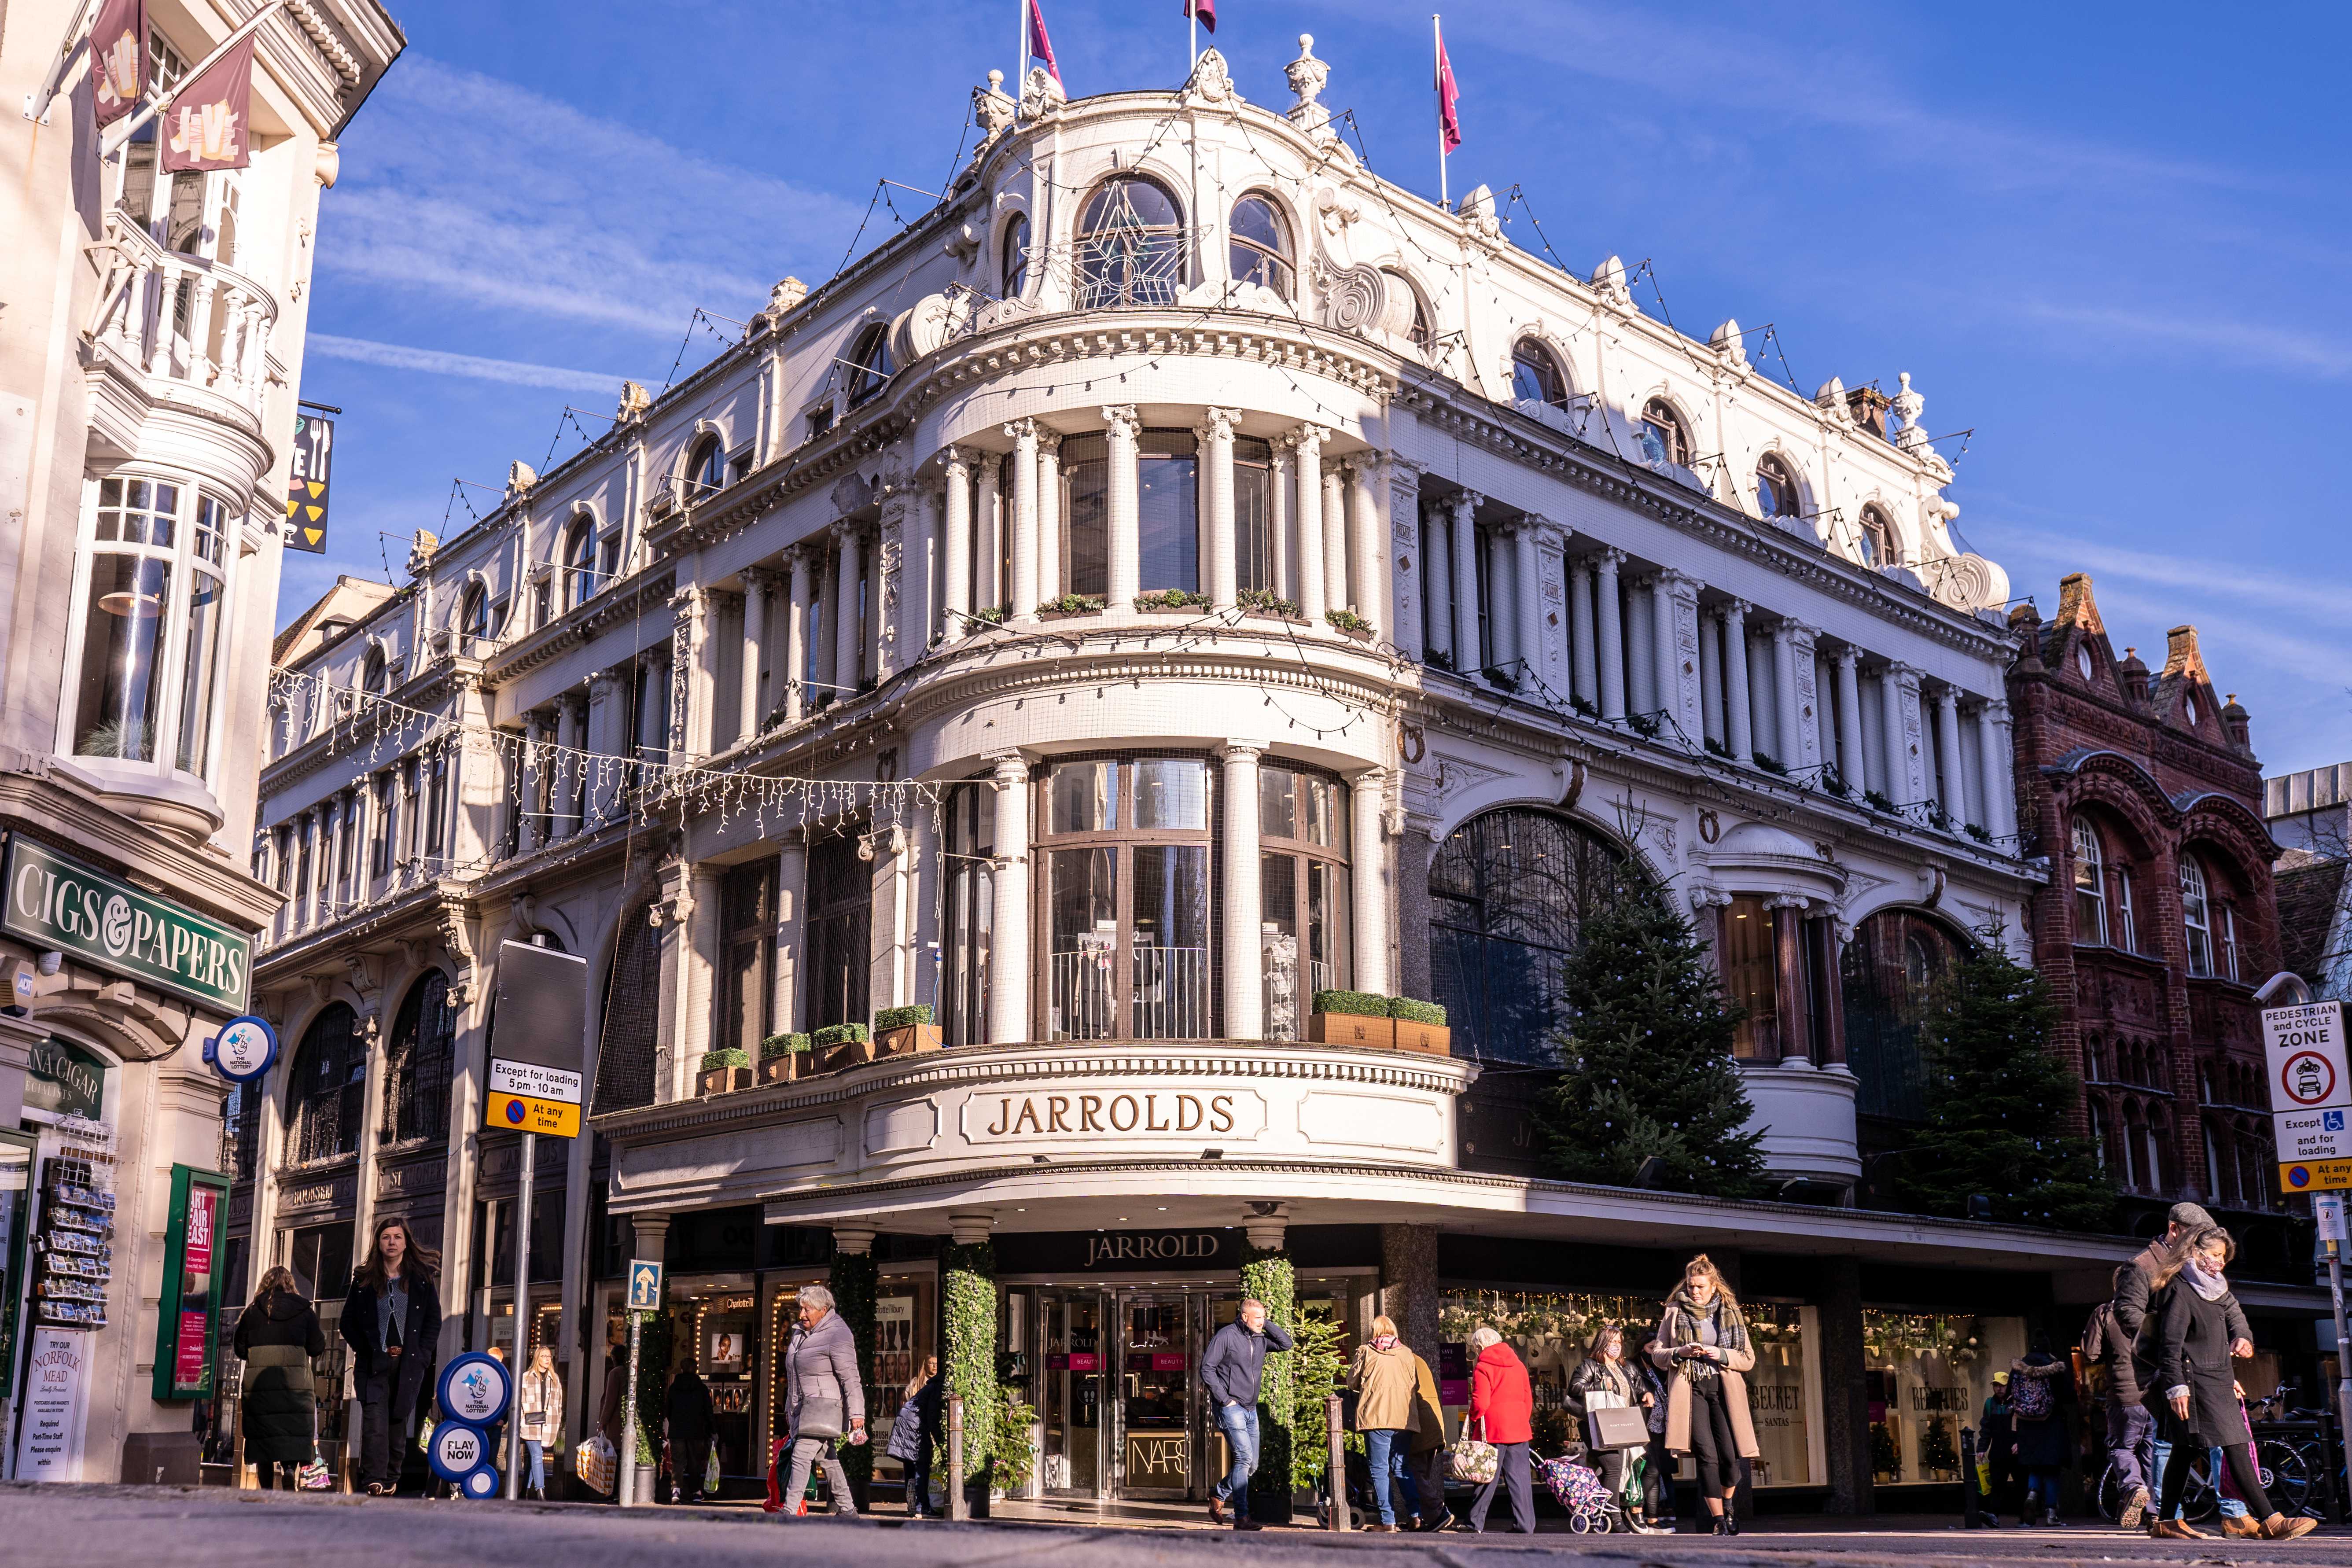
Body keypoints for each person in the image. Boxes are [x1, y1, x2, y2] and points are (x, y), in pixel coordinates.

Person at [2140, 1225, 2316, 1541]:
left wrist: (2244, 1338)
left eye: (2224, 1256)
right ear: (2195, 1252)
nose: (2220, 1262)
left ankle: (2165, 1522)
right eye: (2215, 1255)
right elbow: (2169, 1345)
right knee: (2235, 1442)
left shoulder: (2217, 1288)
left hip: (2217, 1379)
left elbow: (2236, 1318)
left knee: (2183, 1451)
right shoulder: (2179, 1289)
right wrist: (2176, 1387)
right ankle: (2271, 1519)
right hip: (2193, 1382)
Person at [2117, 1199, 2215, 1516]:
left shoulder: (2195, 1265)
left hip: (2201, 1364)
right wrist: (2167, 1343)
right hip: (2163, 1365)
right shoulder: (2141, 1266)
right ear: (2174, 1230)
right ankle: (2163, 1514)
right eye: (2195, 1235)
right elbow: (2127, 1313)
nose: (2201, 1244)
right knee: (2167, 1441)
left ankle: (2232, 1513)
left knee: (2218, 1436)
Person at [1650, 1253, 1758, 1536]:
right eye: (1690, 1286)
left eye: (1700, 1287)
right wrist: (1681, 1352)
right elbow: (1659, 1356)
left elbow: (1748, 1359)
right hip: (1691, 1390)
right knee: (1707, 1457)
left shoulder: (1731, 1311)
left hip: (1724, 1391)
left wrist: (1721, 1354)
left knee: (1730, 1459)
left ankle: (1729, 1504)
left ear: (1713, 1286)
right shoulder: (1674, 1312)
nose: (1694, 1292)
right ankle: (1720, 1520)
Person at [339, 1216, 441, 1497]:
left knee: (397, 1424)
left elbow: (434, 1321)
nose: (392, 1242)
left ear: (406, 1242)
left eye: (397, 1237)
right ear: (379, 1243)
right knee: (374, 1423)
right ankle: (374, 1478)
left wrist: (422, 1355)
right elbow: (347, 1322)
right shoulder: (363, 1280)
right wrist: (365, 1348)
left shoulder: (422, 1279)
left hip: (408, 1364)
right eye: (386, 1237)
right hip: (374, 1364)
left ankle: (392, 1476)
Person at [1199, 1296, 1295, 1531]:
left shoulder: (1260, 1338)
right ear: (1244, 1317)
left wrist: (1266, 1323)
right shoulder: (1227, 1336)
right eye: (1258, 1318)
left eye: (1263, 1318)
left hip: (1251, 1409)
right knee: (1243, 1458)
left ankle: (1218, 1493)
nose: (1262, 1322)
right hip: (1231, 1408)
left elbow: (1286, 1344)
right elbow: (1207, 1369)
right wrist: (1225, 1400)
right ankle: (1242, 1516)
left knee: (1252, 1465)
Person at [233, 1266, 325, 1491]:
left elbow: (240, 1349)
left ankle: (266, 1489)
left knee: (265, 1436)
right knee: (291, 1431)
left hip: (260, 1387)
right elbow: (317, 1348)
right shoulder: (305, 1313)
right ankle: (290, 1470)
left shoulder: (252, 1313)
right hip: (295, 1386)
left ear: (264, 1285)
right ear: (291, 1285)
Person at [779, 1283, 866, 1517]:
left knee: (801, 1456)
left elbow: (851, 1376)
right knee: (827, 1459)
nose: (802, 1314)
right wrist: (791, 1410)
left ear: (824, 1309)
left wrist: (858, 1413)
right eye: (801, 1309)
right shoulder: (800, 1333)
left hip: (823, 1407)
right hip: (803, 1409)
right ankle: (848, 1510)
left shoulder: (838, 1333)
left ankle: (788, 1512)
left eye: (807, 1309)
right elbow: (794, 1375)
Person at [1569, 1321, 1664, 1534]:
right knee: (1613, 1467)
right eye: (1612, 1342)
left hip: (1624, 1423)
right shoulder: (1590, 1365)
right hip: (1599, 1424)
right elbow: (1575, 1388)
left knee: (1642, 1468)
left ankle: (1614, 1510)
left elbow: (1638, 1387)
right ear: (1602, 1344)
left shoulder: (1626, 1367)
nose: (1617, 1346)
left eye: (1619, 1342)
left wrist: (1645, 1393)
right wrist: (1600, 1385)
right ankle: (1615, 1519)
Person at [2081, 1263, 2152, 1528]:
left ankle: (2133, 1488)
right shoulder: (2151, 1310)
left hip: (2124, 1394)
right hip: (2156, 1393)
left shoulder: (2105, 1312)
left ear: (2116, 1286)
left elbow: (2090, 1352)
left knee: (2121, 1447)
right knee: (2151, 1456)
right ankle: (2155, 1513)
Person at [1348, 1314, 1423, 1531]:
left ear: (1374, 1331)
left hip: (1377, 1417)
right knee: (1401, 1467)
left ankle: (1388, 1521)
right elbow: (1415, 1386)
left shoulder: (1366, 1351)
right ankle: (1416, 1516)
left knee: (1379, 1469)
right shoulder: (1407, 1353)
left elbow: (1352, 1381)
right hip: (1403, 1418)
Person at [1463, 1326, 1535, 1534]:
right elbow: (1527, 1398)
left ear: (1479, 1346)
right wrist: (1522, 1419)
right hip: (1518, 1428)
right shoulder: (1519, 1365)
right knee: (1521, 1480)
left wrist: (1474, 1419)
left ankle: (1474, 1524)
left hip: (1493, 1430)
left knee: (1485, 1477)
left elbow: (1481, 1401)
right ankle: (1526, 1525)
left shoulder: (1483, 1366)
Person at [2008, 1330, 2075, 1527]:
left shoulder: (2018, 1369)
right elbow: (2071, 1397)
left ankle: (2031, 1495)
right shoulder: (2054, 1369)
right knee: (2053, 1468)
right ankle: (2051, 1514)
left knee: (2035, 1467)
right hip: (2051, 1424)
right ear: (2048, 1349)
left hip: (2026, 1425)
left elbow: (2010, 1394)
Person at [886, 1355, 944, 1518]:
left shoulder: (932, 1385)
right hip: (913, 1423)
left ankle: (913, 1506)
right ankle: (921, 1508)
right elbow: (932, 1418)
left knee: (911, 1463)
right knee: (921, 1461)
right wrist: (942, 1443)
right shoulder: (939, 1386)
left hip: (907, 1419)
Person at [1633, 1333, 1676, 1530]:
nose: (1654, 1353)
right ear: (1642, 1348)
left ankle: (1653, 1519)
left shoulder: (1658, 1370)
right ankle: (1635, 1510)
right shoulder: (1633, 1367)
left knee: (1656, 1472)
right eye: (1651, 1349)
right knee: (1651, 1471)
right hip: (1643, 1427)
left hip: (1659, 1428)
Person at [1407, 1347, 1451, 1532]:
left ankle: (1437, 1512)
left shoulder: (1405, 1361)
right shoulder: (1420, 1360)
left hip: (1421, 1425)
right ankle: (1424, 1519)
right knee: (1421, 1474)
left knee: (1412, 1472)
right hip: (1434, 1424)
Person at [666, 1355, 717, 1504]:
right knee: (695, 1462)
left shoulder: (674, 1388)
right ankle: (696, 1493)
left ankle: (676, 1491)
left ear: (681, 1370)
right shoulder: (702, 1389)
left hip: (677, 1431)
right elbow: (709, 1411)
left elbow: (668, 1410)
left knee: (678, 1462)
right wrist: (713, 1431)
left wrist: (675, 1423)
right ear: (696, 1370)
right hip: (695, 1431)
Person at [517, 1344, 563, 1501]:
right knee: (537, 1455)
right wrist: (521, 1420)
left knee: (534, 1458)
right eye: (544, 1356)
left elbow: (559, 1403)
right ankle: (541, 1493)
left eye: (549, 1356)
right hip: (530, 1423)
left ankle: (524, 1492)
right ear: (537, 1358)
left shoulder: (555, 1378)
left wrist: (558, 1420)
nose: (547, 1359)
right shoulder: (525, 1377)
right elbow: (518, 1402)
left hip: (547, 1423)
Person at [595, 1321, 630, 1502]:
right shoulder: (631, 1372)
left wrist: (602, 1422)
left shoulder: (615, 1373)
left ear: (615, 1358)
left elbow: (610, 1401)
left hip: (616, 1424)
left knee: (614, 1459)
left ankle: (614, 1491)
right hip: (627, 1424)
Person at [1978, 1371, 2016, 1524]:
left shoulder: (2017, 1402)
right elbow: (1986, 1428)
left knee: (2022, 1486)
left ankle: (2026, 1517)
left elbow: (2023, 1425)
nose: (1999, 1389)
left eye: (2002, 1385)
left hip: (2016, 1452)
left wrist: (2020, 1442)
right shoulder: (1989, 1404)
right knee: (1997, 1487)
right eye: (1996, 1385)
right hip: (1998, 1452)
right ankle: (1993, 1515)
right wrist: (1982, 1447)